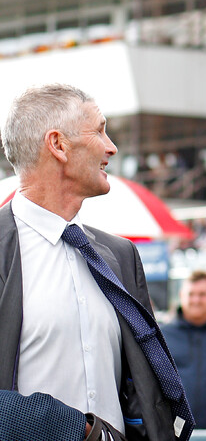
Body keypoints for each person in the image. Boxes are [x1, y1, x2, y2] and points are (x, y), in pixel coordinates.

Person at [0, 84, 193, 440]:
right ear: (58, 145)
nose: (111, 147)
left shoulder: (120, 255)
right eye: (99, 130)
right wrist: (78, 430)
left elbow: (140, 388)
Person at [161, 271, 206, 429]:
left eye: (202, 294)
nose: (196, 300)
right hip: (176, 433)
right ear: (181, 295)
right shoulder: (163, 336)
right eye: (191, 294)